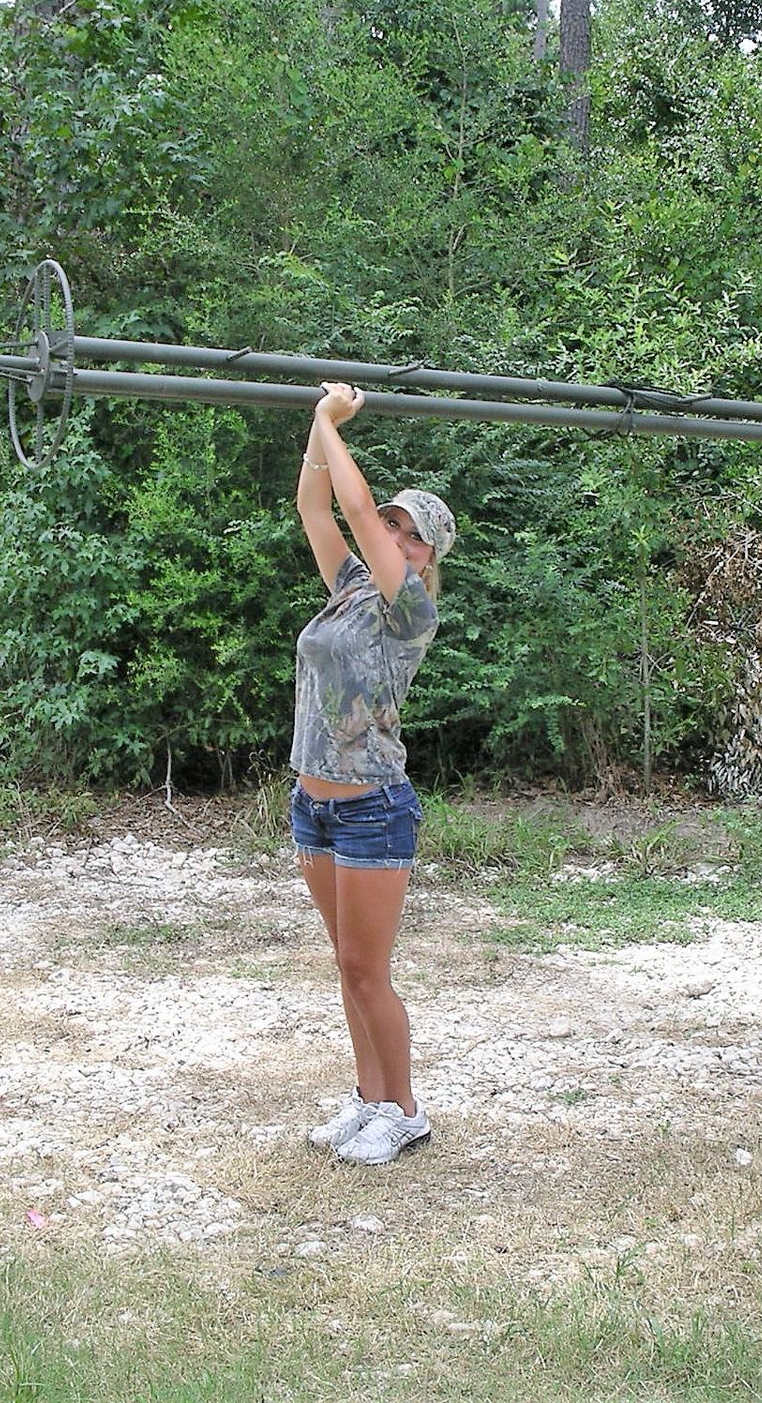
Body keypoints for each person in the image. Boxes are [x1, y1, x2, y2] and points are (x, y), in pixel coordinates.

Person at [291, 381, 456, 1166]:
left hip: (372, 808)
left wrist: (332, 419)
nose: (392, 533)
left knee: (368, 970)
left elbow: (352, 513)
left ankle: (406, 1110)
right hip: (312, 805)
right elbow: (317, 511)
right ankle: (368, 1101)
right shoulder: (353, 590)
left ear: (427, 558)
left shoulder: (411, 611)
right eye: (390, 520)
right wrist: (315, 432)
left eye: (408, 532)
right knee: (348, 968)